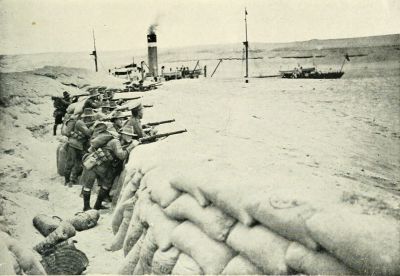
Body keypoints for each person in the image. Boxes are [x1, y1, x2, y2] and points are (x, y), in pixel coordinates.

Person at [81, 124, 138, 211]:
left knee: (106, 185)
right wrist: (132, 146)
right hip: (94, 164)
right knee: (88, 185)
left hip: (104, 167)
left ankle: (97, 206)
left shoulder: (119, 142)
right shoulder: (115, 142)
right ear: (122, 134)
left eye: (130, 135)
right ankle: (86, 207)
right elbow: (121, 155)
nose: (129, 136)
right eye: (127, 134)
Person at [64, 108, 96, 187]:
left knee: (79, 163)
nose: (90, 118)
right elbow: (88, 133)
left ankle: (73, 180)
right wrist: (94, 125)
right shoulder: (79, 123)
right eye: (89, 117)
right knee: (70, 163)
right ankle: (67, 181)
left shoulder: (84, 123)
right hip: (73, 145)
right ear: (86, 117)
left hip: (79, 146)